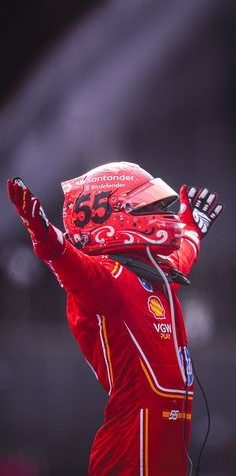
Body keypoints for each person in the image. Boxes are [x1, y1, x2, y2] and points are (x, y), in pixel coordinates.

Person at [8, 161, 223, 476]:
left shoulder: (154, 276)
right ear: (109, 214)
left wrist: (192, 226)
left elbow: (182, 258)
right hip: (128, 459)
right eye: (148, 206)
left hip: (163, 459)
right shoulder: (108, 282)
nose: (163, 213)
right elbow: (70, 264)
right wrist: (45, 236)